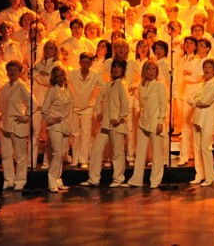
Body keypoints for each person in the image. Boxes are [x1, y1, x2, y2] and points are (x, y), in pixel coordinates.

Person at [81, 59, 130, 188]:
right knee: (96, 148)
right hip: (106, 124)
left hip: (116, 125)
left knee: (118, 152)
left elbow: (125, 104)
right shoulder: (109, 85)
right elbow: (99, 99)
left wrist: (120, 118)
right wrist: (99, 112)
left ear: (123, 70)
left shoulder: (122, 84)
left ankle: (118, 178)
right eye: (114, 67)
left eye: (118, 67)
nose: (115, 69)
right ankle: (93, 178)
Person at [0, 60, 37, 190]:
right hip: (5, 125)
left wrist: (26, 116)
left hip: (17, 125)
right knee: (6, 155)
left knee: (20, 155)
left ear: (19, 72)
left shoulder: (22, 86)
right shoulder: (5, 87)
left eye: (15, 70)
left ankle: (20, 180)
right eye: (10, 70)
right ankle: (9, 179)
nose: (12, 72)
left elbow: (33, 103)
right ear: (7, 72)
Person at [128, 61, 168, 188]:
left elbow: (163, 105)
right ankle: (136, 179)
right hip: (143, 121)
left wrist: (160, 121)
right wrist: (138, 110)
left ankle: (155, 180)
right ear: (144, 71)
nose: (151, 72)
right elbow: (136, 99)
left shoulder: (159, 86)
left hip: (155, 122)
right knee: (140, 153)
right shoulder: (141, 85)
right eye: (149, 69)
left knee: (157, 153)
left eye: (153, 69)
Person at [187, 58, 214, 186]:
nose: (207, 69)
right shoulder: (201, 85)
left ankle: (210, 177)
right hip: (197, 117)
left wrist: (196, 101)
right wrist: (196, 100)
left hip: (207, 119)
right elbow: (190, 97)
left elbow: (206, 101)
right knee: (197, 148)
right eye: (205, 67)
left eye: (209, 67)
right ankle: (200, 175)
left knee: (205, 148)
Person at [42, 65, 73, 192]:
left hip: (66, 125)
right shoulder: (52, 91)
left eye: (62, 75)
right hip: (55, 126)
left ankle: (58, 180)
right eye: (58, 76)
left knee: (62, 154)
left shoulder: (68, 89)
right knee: (57, 153)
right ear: (54, 78)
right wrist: (51, 119)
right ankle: (52, 181)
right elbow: (44, 109)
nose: (61, 78)